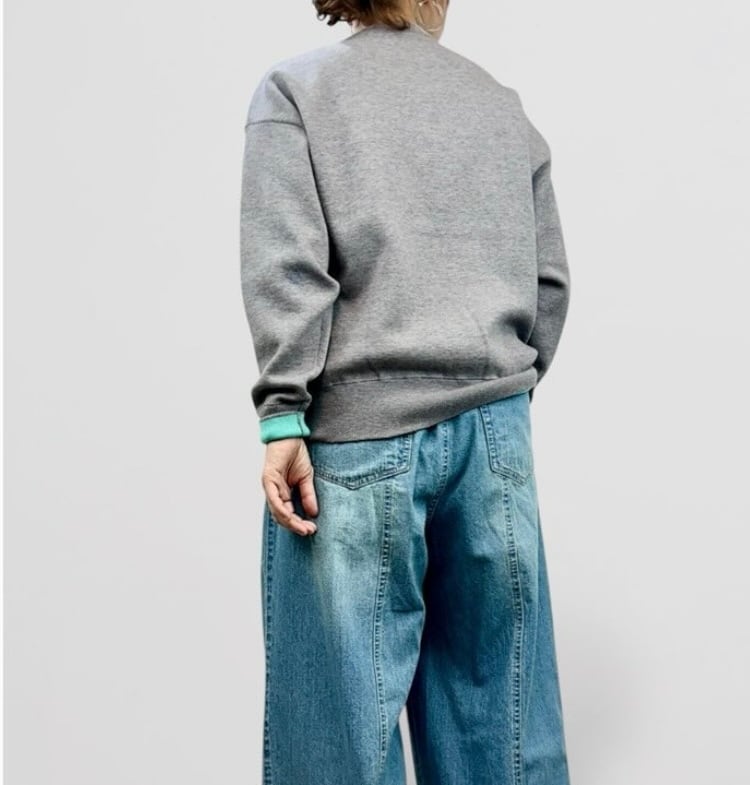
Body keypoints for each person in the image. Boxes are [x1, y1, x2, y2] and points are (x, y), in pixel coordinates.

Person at [239, 0, 572, 782]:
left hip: (356, 442)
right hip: (494, 439)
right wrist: (496, 395)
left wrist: (284, 414)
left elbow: (288, 267)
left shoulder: (299, 91)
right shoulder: (497, 105)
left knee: (339, 744)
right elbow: (549, 282)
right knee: (503, 737)